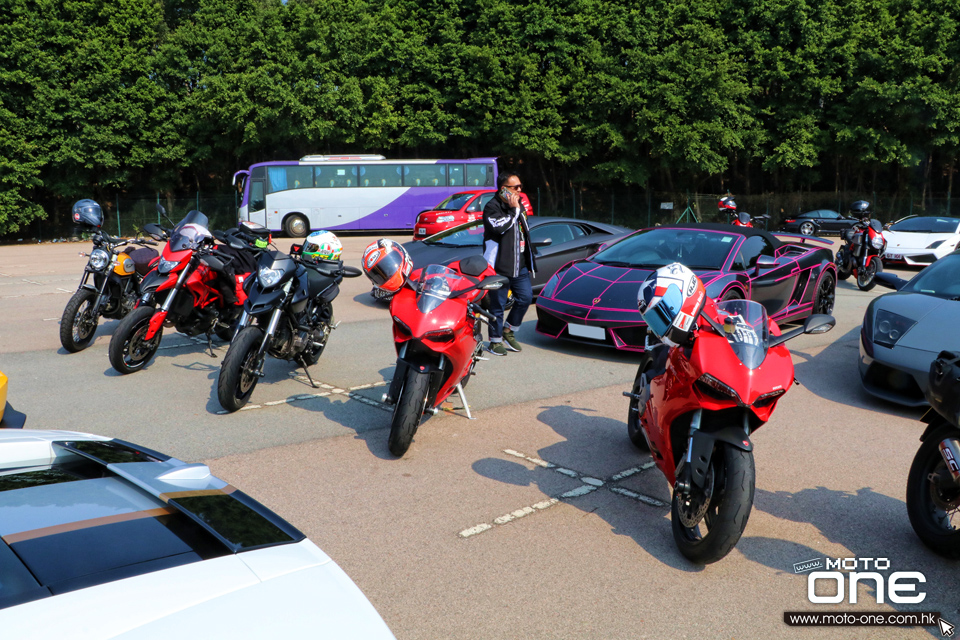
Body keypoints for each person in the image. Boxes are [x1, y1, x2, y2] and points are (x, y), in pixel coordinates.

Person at [482, 173, 536, 356]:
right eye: (515, 187)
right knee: (497, 305)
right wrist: (514, 211)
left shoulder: (520, 206)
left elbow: (524, 233)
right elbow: (499, 227)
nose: (519, 190)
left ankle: (508, 331)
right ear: (503, 188)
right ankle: (495, 341)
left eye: (520, 186)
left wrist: (529, 259)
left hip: (519, 265)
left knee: (526, 297)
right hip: (500, 266)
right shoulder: (492, 207)